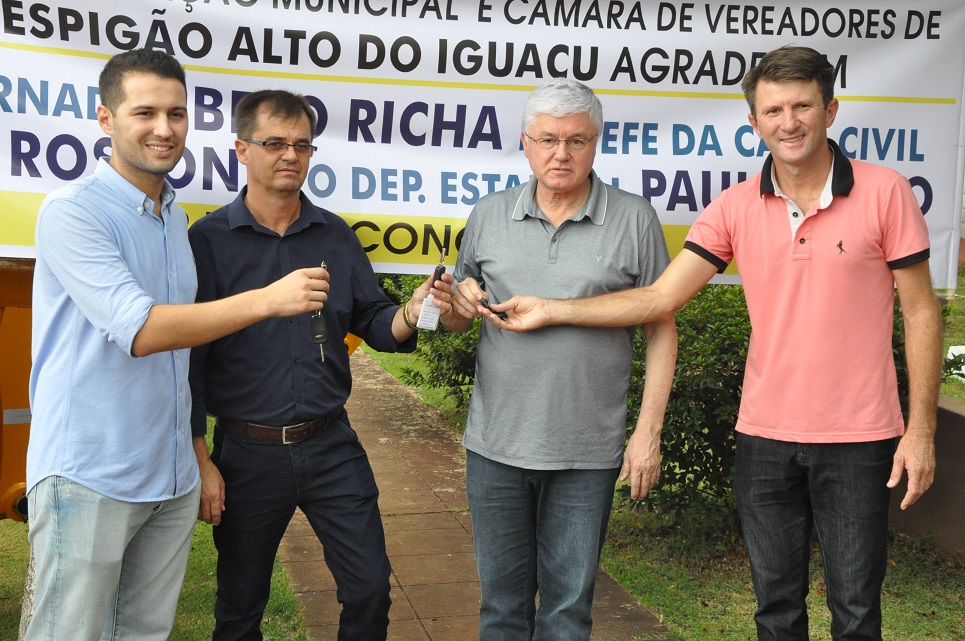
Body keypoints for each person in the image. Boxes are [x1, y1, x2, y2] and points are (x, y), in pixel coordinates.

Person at [486, 46, 942, 641]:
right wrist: (552, 309)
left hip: (860, 437)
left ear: (830, 111)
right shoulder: (733, 206)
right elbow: (658, 299)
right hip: (764, 438)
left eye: (802, 105)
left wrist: (922, 429)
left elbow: (921, 311)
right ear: (753, 123)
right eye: (772, 109)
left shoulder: (885, 192)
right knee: (775, 612)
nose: (789, 121)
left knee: (856, 613)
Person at [24, 50, 328, 641]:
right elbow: (143, 331)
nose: (164, 129)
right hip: (89, 472)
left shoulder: (172, 216)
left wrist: (195, 454)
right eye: (145, 112)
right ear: (106, 119)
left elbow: (184, 356)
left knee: (145, 633)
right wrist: (268, 299)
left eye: (177, 113)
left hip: (167, 474)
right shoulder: (73, 212)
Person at [188, 89, 453, 641]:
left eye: (302, 145)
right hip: (245, 452)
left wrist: (414, 309)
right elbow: (188, 360)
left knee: (370, 589)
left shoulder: (334, 234)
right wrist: (201, 460)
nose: (290, 155)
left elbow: (375, 320)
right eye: (274, 143)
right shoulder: (207, 242)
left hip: (332, 446)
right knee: (239, 609)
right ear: (241, 149)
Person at [441, 78, 677, 641]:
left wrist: (648, 434)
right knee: (500, 608)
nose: (561, 154)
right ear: (525, 143)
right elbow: (455, 316)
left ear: (596, 142)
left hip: (585, 452)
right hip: (495, 446)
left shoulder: (634, 218)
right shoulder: (490, 214)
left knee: (568, 613)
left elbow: (661, 330)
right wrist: (458, 301)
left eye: (576, 140)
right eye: (547, 139)